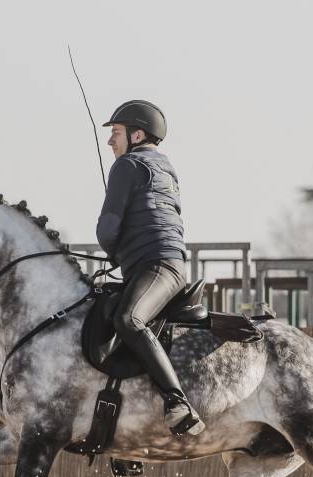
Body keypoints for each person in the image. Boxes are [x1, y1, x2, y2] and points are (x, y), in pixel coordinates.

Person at [96, 100, 204, 436]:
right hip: (160, 265)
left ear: (137, 134)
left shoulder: (128, 165)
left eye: (116, 133)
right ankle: (127, 429)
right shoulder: (163, 167)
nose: (111, 141)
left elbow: (108, 228)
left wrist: (112, 249)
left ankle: (177, 402)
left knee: (129, 320)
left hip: (155, 267)